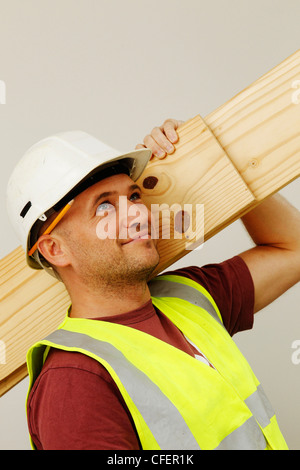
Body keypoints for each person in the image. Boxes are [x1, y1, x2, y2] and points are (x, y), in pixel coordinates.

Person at [6, 120, 300, 450]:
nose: (138, 215)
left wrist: (206, 160)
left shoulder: (191, 296)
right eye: (104, 206)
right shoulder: (75, 379)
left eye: (133, 196)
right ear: (55, 249)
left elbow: (295, 248)